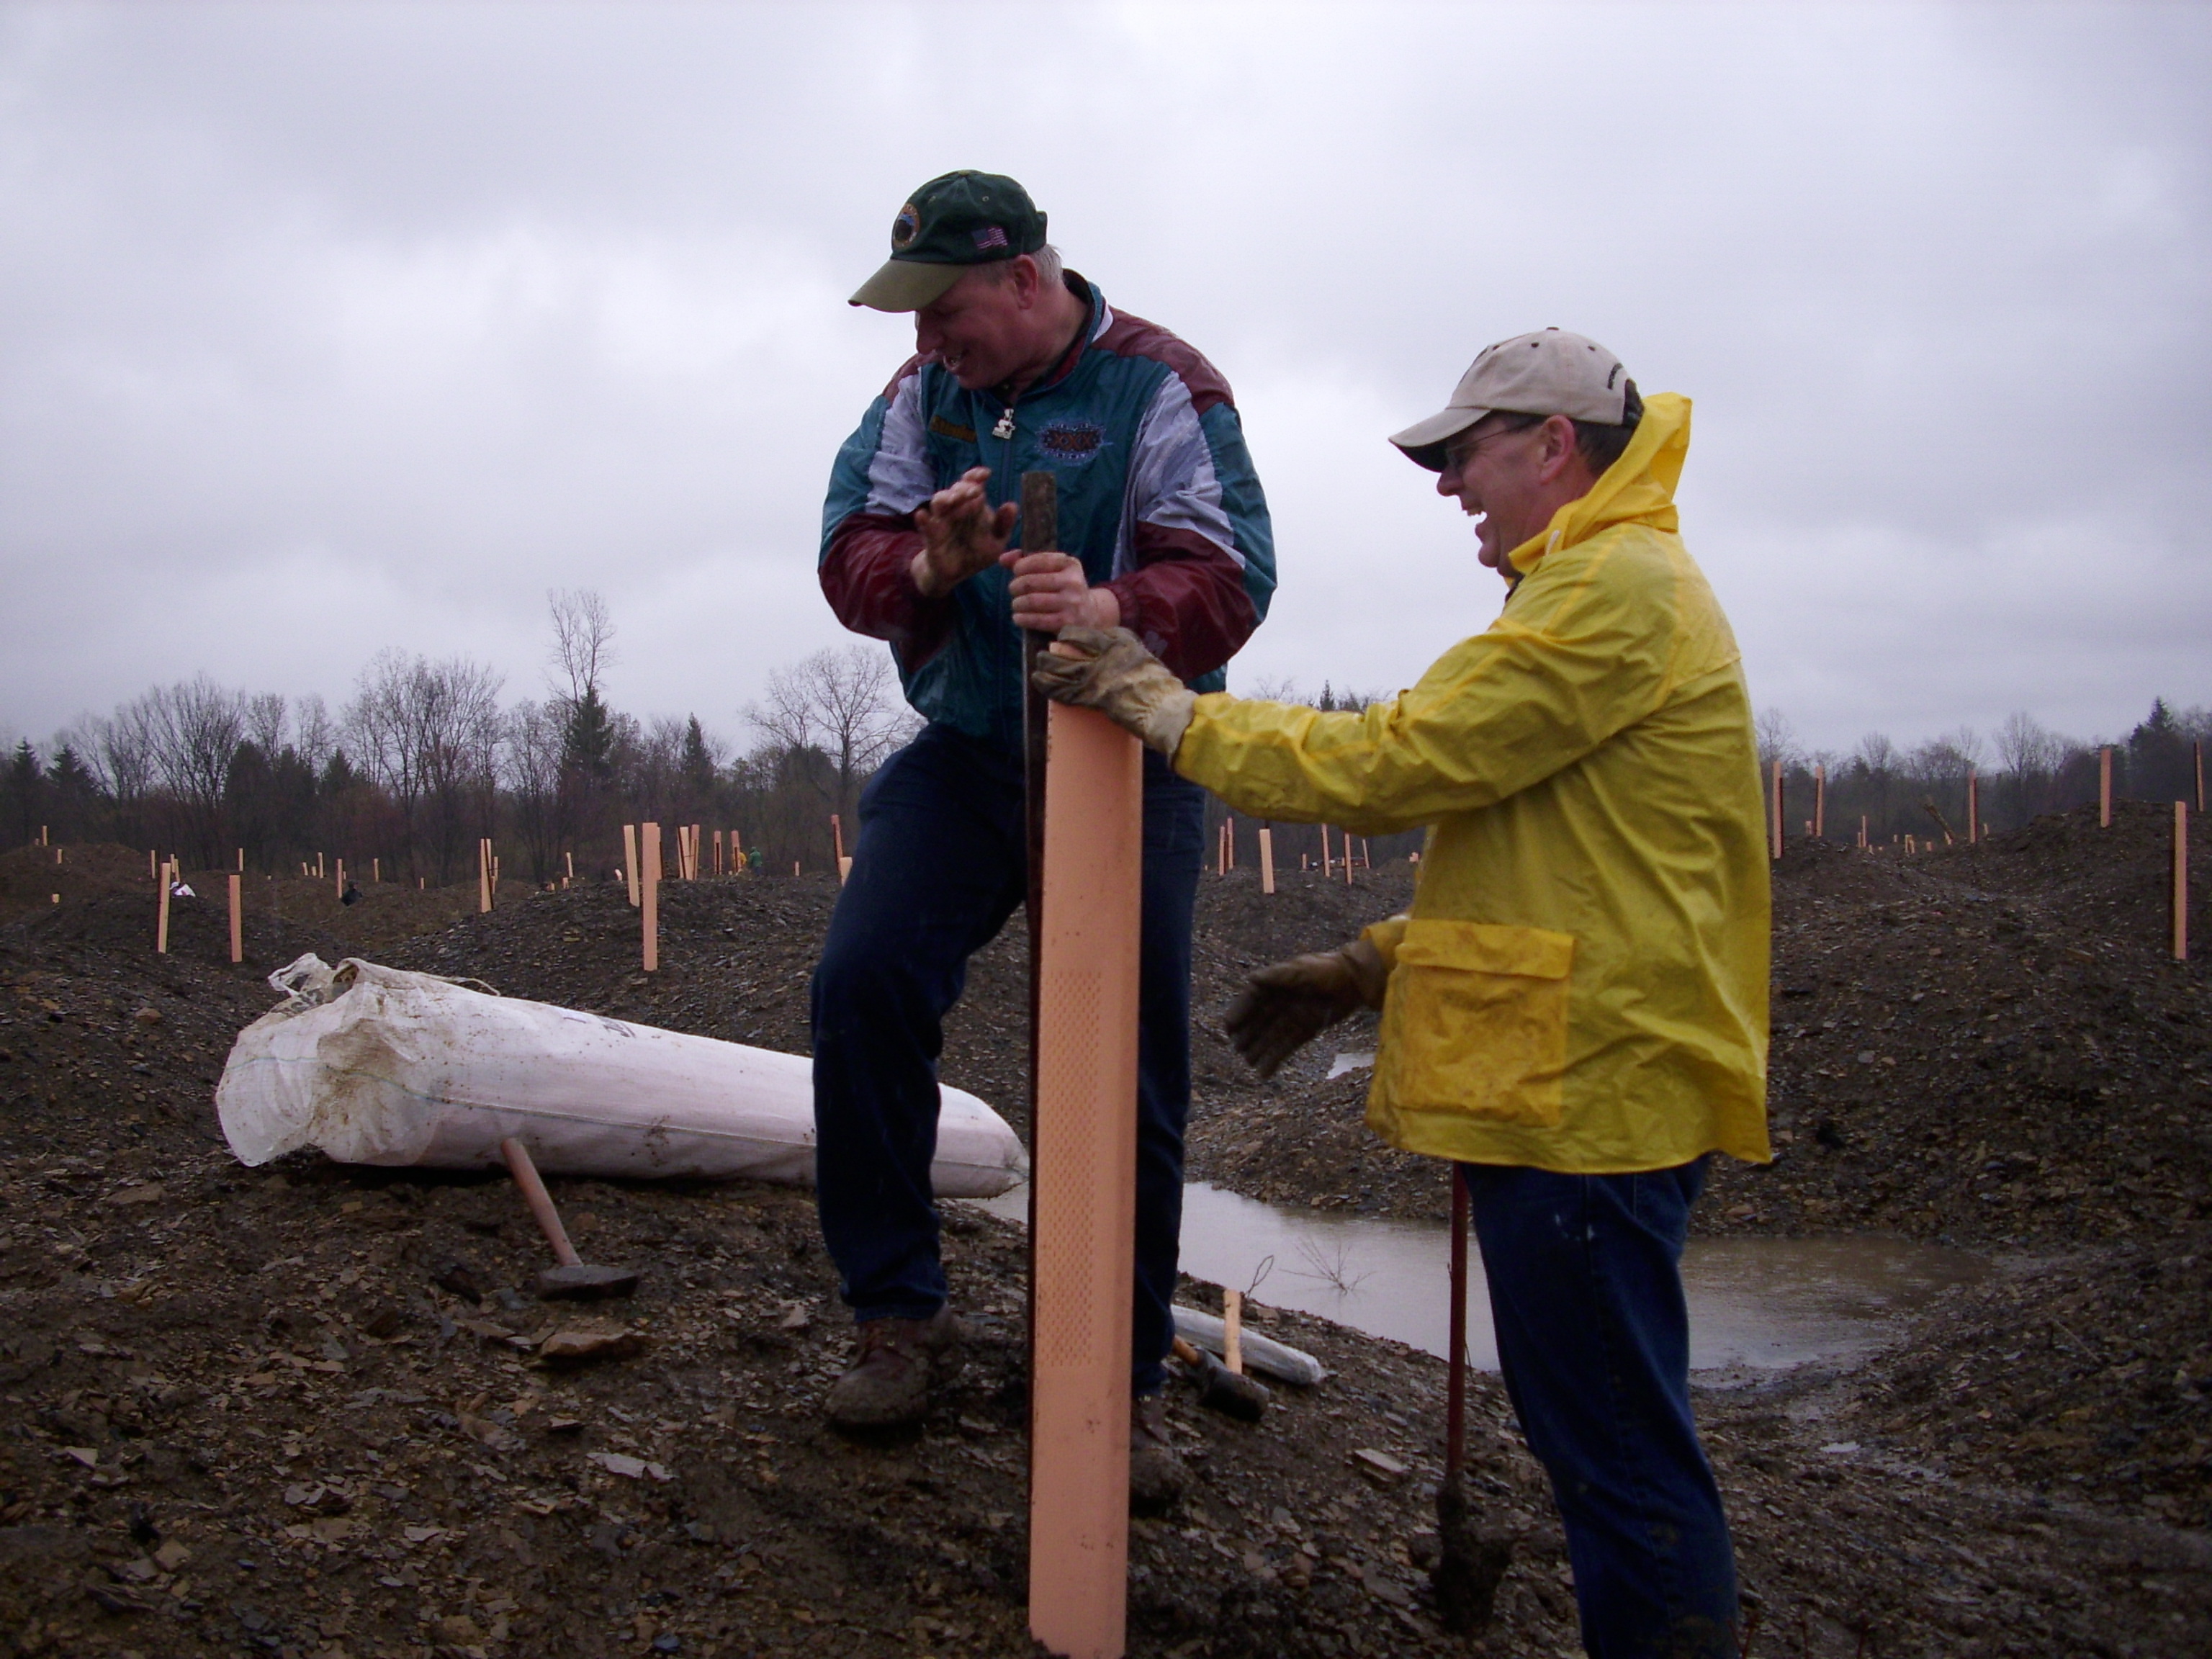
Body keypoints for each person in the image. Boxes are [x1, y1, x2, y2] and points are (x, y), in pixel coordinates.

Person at [1035, 330, 1768, 1655]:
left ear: (1554, 446)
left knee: (1616, 1449)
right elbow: (1573, 863)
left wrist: (1168, 708)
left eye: (1463, 454)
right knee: (1599, 1431)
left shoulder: (1614, 594)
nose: (1447, 487)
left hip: (1592, 1098)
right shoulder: (1595, 588)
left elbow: (1398, 763)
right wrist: (1382, 959)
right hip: (1588, 1078)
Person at [809, 171, 1275, 1503]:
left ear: (1025, 280)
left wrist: (1112, 598)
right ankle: (898, 1315)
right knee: (862, 981)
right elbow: (849, 544)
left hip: (1123, 755)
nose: (924, 342)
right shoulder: (918, 397)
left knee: (1124, 1064)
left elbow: (1234, 573)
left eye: (945, 310)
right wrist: (929, 571)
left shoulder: (1161, 387)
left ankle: (1112, 1381)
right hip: (967, 751)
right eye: (910, 317)